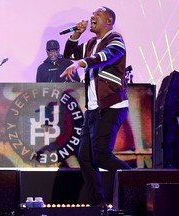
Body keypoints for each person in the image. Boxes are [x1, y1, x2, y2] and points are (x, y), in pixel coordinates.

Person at [60, 6, 131, 206]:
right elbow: (70, 53)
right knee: (84, 158)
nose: (92, 17)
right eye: (92, 15)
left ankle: (137, 181)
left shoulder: (115, 39)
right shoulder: (91, 43)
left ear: (108, 20)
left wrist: (81, 64)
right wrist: (76, 34)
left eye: (97, 15)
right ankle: (98, 205)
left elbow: (106, 56)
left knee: (101, 156)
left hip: (112, 105)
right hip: (93, 110)